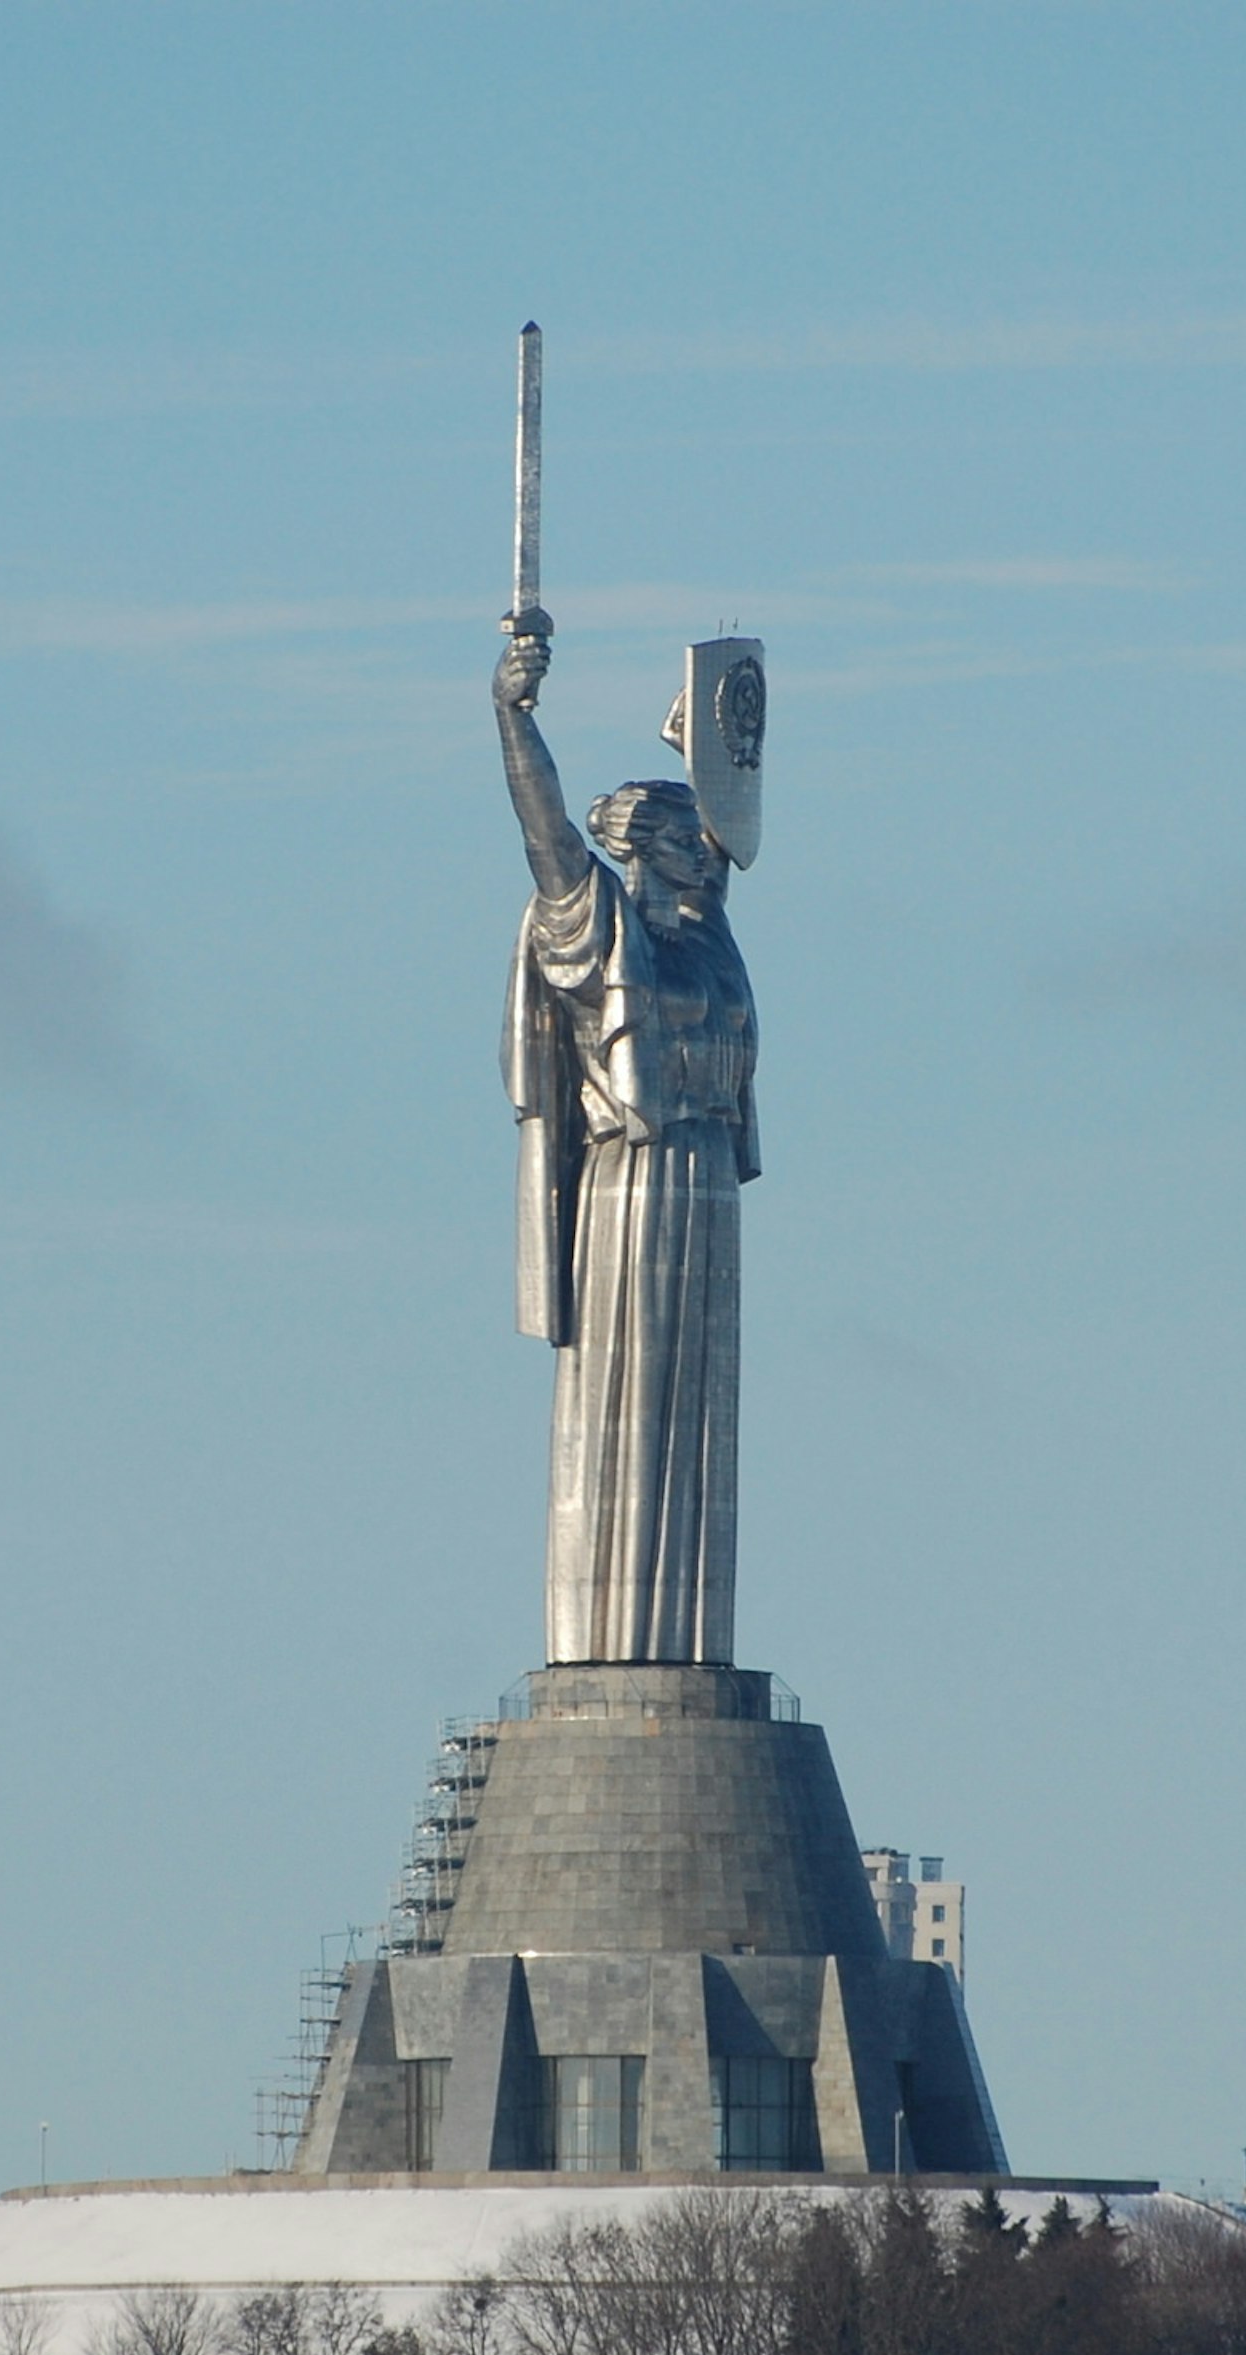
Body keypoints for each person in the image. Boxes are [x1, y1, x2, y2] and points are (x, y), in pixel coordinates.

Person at [495, 623, 759, 1667]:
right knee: (625, 1406)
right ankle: (610, 1645)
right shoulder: (602, 925)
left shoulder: (710, 940)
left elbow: (736, 824)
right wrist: (513, 716)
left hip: (707, 1193)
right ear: (655, 845)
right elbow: (546, 833)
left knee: (697, 1431)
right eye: (699, 840)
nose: (718, 854)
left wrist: (705, 729)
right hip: (631, 1185)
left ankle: (691, 1646)